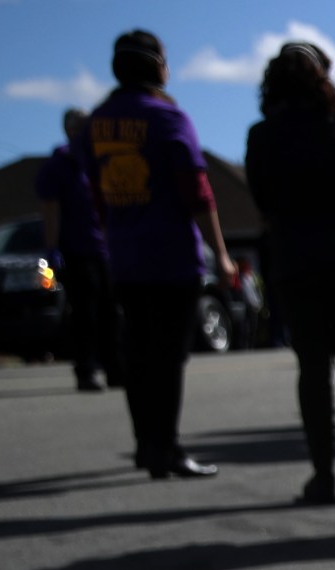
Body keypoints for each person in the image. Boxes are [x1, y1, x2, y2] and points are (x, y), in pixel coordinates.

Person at [75, 31, 238, 478]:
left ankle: (146, 444)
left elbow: (98, 191)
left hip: (124, 257)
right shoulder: (168, 119)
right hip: (171, 258)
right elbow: (197, 192)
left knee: (139, 354)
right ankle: (167, 446)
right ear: (157, 66)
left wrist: (114, 235)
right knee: (168, 357)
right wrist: (220, 254)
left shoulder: (97, 124)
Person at [246, 43, 335, 506]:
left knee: (314, 369)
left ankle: (323, 474)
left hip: (296, 258)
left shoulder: (263, 136)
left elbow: (261, 198)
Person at [37, 110, 114, 392]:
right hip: (76, 251)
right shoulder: (60, 165)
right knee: (85, 313)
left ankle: (115, 367)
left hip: (104, 250)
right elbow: (50, 211)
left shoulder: (97, 160)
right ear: (69, 130)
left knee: (110, 311)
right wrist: (51, 249)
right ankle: (86, 370)